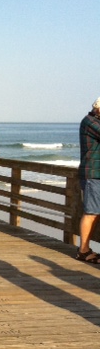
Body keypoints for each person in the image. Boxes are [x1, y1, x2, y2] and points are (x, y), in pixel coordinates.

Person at [77, 97, 100, 264]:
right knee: (91, 213)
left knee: (95, 213)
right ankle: (83, 250)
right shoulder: (89, 121)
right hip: (92, 174)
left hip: (96, 174)